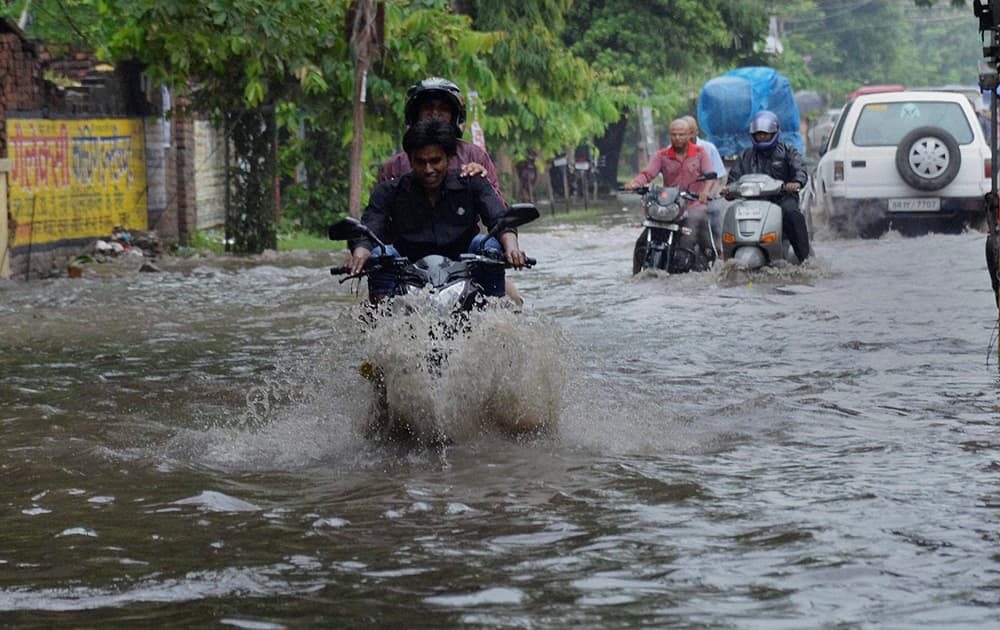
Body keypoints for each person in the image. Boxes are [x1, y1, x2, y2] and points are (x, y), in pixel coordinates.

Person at [345, 118, 528, 301]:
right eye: (420, 162)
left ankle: (496, 311)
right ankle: (381, 317)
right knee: (379, 254)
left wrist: (512, 248)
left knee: (489, 246)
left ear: (449, 158)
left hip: (466, 275)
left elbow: (499, 219)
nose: (428, 169)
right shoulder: (388, 191)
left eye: (435, 161)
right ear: (410, 160)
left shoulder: (473, 182)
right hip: (408, 279)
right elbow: (370, 228)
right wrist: (360, 255)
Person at [378, 77, 502, 200]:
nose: (435, 114)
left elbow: (498, 214)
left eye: (444, 109)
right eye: (427, 107)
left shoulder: (475, 156)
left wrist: (483, 184)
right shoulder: (395, 166)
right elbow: (378, 212)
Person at [723, 110, 811, 263]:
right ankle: (727, 258)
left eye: (766, 134)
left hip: (781, 199)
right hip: (752, 202)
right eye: (758, 134)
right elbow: (733, 179)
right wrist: (728, 189)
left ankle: (805, 259)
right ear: (753, 135)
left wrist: (796, 182)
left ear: (775, 133)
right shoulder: (745, 156)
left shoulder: (788, 151)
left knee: (792, 213)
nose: (762, 137)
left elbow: (800, 169)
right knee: (732, 214)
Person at [624, 118, 716, 256]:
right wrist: (636, 183)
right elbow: (648, 173)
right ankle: (637, 275)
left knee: (689, 238)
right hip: (669, 206)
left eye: (681, 134)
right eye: (674, 134)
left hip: (693, 205)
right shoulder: (662, 155)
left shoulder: (700, 153)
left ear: (690, 135)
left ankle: (712, 257)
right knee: (642, 243)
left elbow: (711, 176)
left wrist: (705, 192)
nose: (677, 138)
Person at [680, 114, 726, 247]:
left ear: (695, 132)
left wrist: (708, 194)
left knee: (714, 213)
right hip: (681, 198)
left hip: (704, 197)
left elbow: (717, 178)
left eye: (688, 133)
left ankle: (718, 251)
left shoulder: (709, 148)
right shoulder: (671, 150)